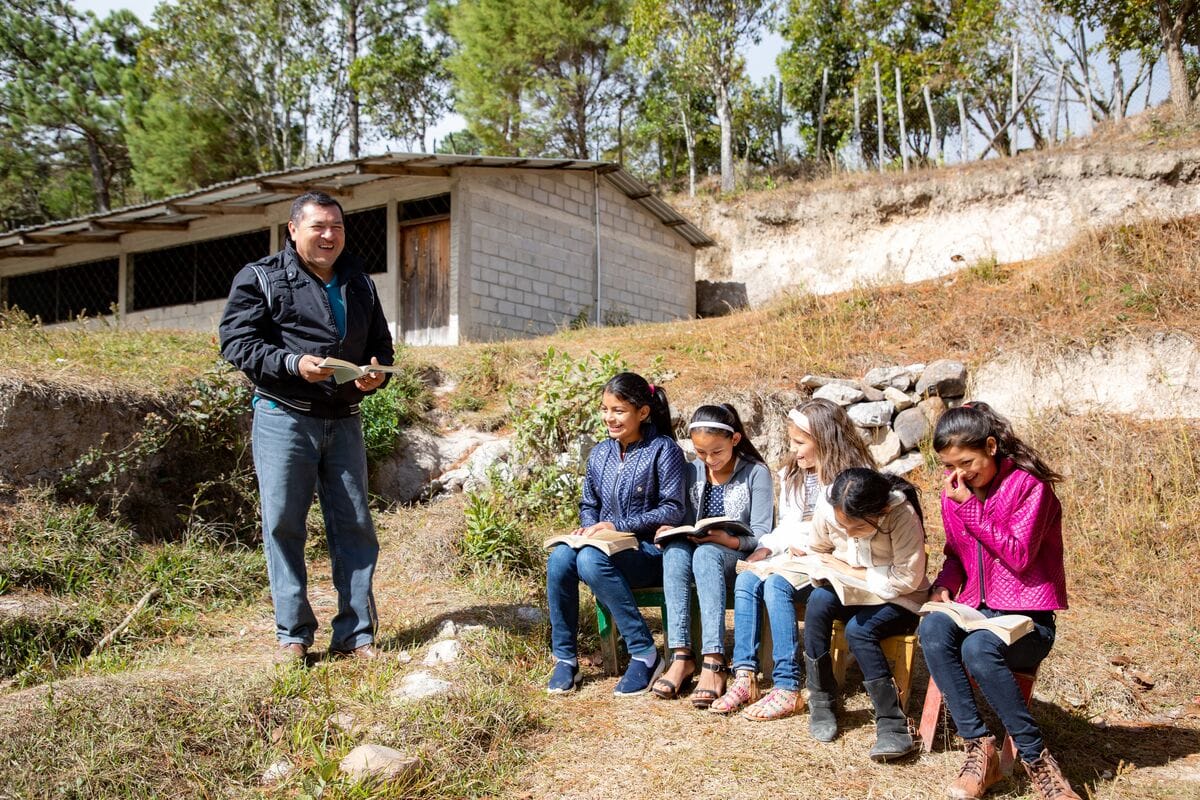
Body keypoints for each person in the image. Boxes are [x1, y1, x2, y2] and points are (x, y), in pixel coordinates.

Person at [219, 191, 394, 664]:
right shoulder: (260, 278)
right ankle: (293, 635)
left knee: (355, 525)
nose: (329, 235)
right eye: (318, 226)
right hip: (283, 415)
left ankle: (356, 635)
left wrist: (375, 375)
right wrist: (294, 363)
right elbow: (237, 344)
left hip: (344, 418)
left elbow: (380, 345)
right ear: (293, 229)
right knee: (283, 524)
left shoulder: (359, 282)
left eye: (336, 226)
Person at [918, 402, 1080, 800]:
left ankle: (1037, 759)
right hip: (978, 610)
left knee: (977, 649)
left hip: (1029, 620)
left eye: (967, 461)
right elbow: (957, 555)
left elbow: (1019, 556)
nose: (959, 474)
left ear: (991, 446)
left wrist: (969, 508)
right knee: (934, 628)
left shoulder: (1030, 487)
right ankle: (980, 748)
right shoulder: (956, 491)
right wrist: (944, 585)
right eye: (949, 464)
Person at [711, 398, 874, 720]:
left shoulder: (853, 478)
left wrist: (807, 549)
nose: (795, 450)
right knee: (747, 577)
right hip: (796, 557)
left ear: (826, 440)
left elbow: (847, 532)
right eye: (792, 442)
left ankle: (787, 686)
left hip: (836, 565)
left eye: (801, 442)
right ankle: (745, 676)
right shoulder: (793, 473)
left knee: (775, 585)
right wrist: (767, 549)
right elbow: (788, 523)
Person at [545, 372, 686, 696]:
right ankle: (565, 659)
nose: (609, 417)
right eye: (605, 409)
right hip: (601, 549)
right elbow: (588, 503)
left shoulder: (664, 450)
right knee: (560, 558)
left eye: (619, 410)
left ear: (643, 412)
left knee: (591, 562)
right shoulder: (600, 454)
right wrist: (587, 526)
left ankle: (645, 653)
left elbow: (673, 509)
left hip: (649, 552)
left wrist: (618, 526)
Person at [652, 404, 774, 708]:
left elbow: (762, 533)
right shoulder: (692, 469)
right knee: (675, 553)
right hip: (697, 550)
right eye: (701, 453)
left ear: (734, 440)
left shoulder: (756, 473)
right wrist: (670, 528)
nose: (709, 460)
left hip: (736, 556)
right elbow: (682, 515)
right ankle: (681, 656)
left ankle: (714, 660)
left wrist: (728, 540)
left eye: (716, 452)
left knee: (706, 554)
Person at [804, 467, 929, 761]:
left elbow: (908, 578)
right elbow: (818, 550)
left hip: (901, 599)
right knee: (819, 601)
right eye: (842, 525)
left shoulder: (900, 514)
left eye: (857, 529)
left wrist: (851, 570)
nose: (847, 534)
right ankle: (821, 700)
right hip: (852, 592)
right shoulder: (829, 505)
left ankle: (892, 724)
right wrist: (834, 570)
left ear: (882, 510)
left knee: (859, 631)